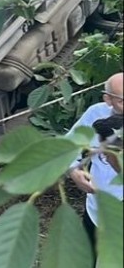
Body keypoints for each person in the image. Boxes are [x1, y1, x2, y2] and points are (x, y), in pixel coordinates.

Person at [67, 72, 123, 258]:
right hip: (96, 207)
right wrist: (74, 171)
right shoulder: (96, 114)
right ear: (108, 99)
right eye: (122, 101)